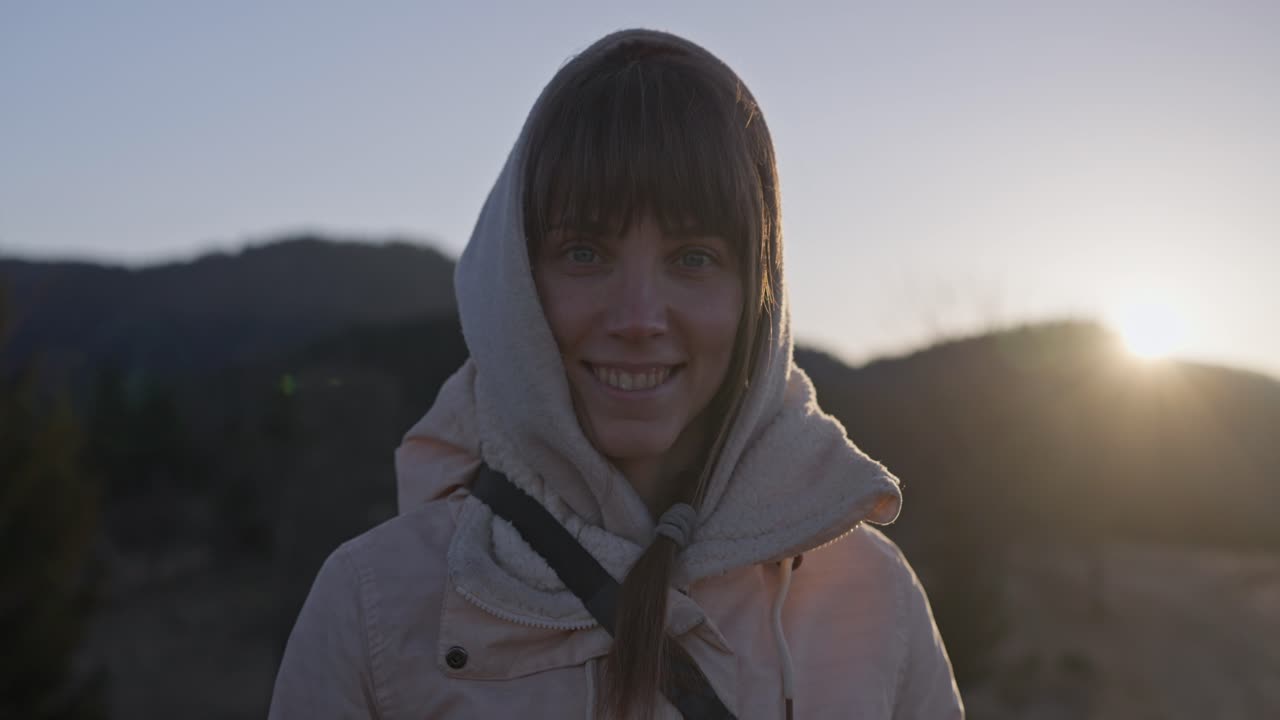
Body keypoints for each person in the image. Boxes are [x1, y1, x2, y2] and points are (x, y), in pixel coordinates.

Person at [268, 28, 962, 719]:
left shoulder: (874, 599)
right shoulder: (376, 604)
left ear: (758, 297)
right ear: (516, 282)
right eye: (583, 252)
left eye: (693, 258)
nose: (637, 317)